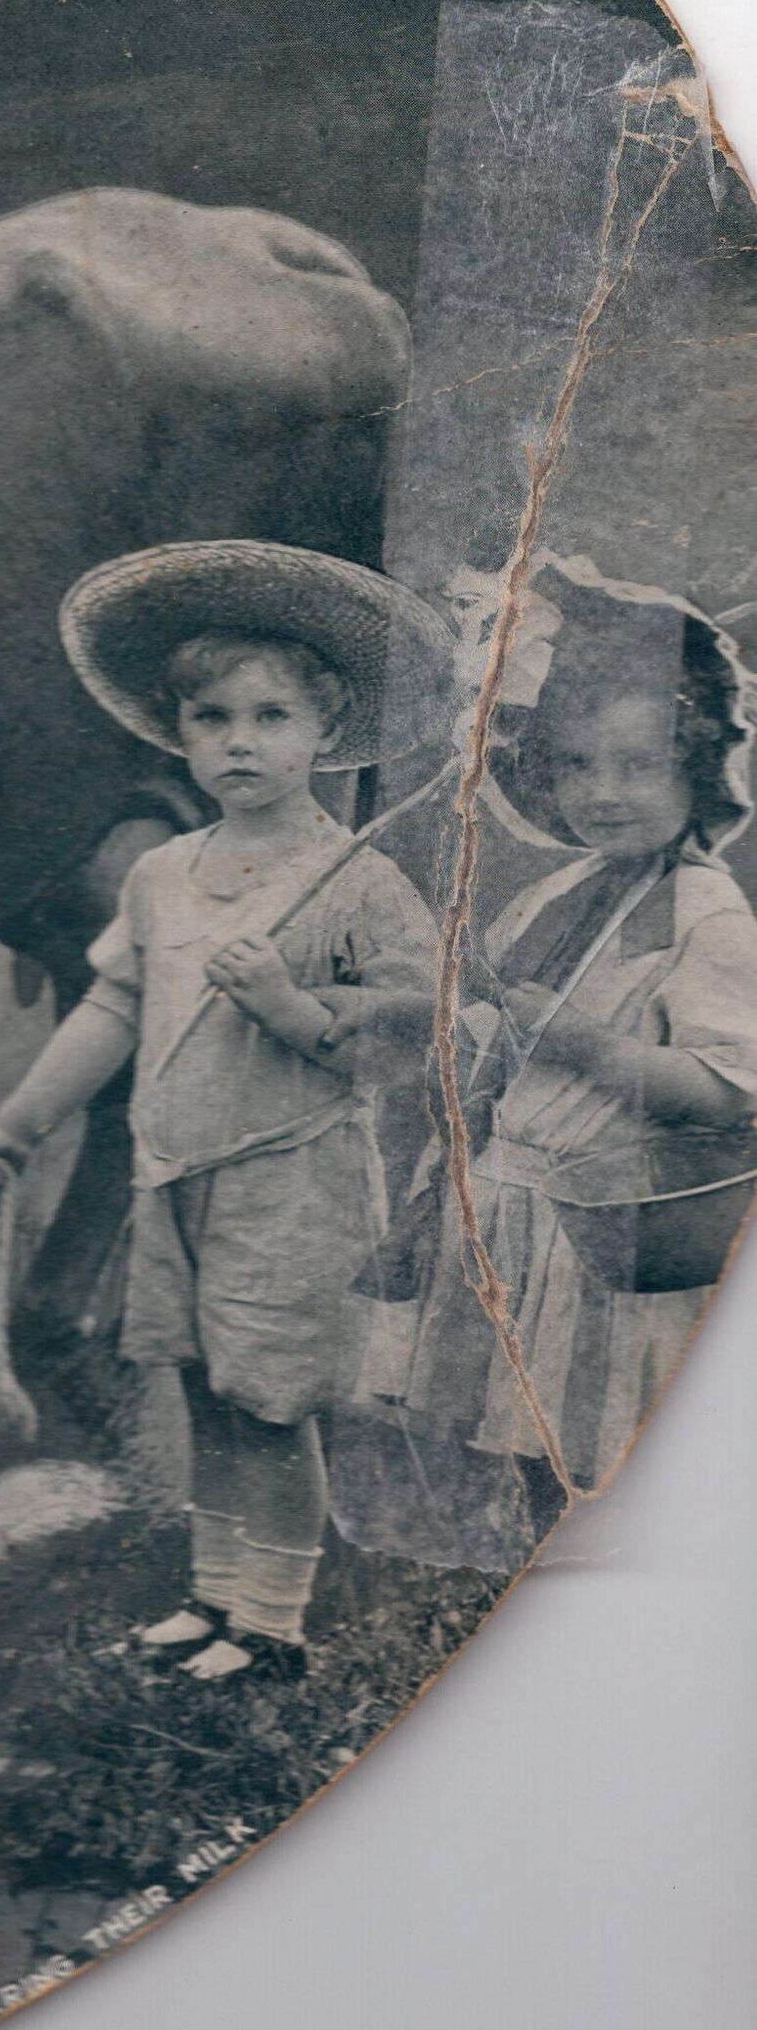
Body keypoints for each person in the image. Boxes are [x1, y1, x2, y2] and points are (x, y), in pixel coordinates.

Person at [0, 541, 448, 1681]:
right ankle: (213, 1599)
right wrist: (14, 1128)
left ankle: (270, 1627)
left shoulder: (357, 878)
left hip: (291, 1178)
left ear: (324, 730)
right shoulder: (161, 875)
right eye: (210, 718)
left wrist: (286, 1006)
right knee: (199, 1389)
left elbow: (410, 1033)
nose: (239, 742)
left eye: (271, 717)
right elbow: (112, 1005)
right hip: (173, 1172)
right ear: (176, 732)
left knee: (266, 1403)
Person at [354, 561, 757, 1525]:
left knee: (600, 1442)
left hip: (603, 1227)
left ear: (696, 766)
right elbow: (489, 1046)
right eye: (577, 765)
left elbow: (729, 1091)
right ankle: (540, 1561)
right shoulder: (556, 894)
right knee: (521, 1436)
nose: (603, 793)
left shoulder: (706, 919)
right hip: (510, 1207)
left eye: (637, 765)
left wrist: (587, 1046)